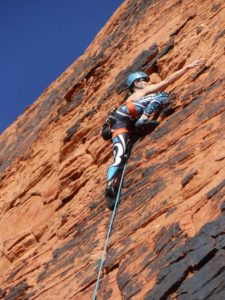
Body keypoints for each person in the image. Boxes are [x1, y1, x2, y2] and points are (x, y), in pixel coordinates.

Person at [105, 58, 205, 208]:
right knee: (162, 95)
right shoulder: (142, 92)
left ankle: (110, 186)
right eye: (143, 80)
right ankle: (143, 120)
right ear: (136, 84)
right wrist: (186, 68)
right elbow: (167, 81)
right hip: (130, 112)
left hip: (119, 123)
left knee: (119, 156)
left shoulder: (129, 98)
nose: (147, 83)